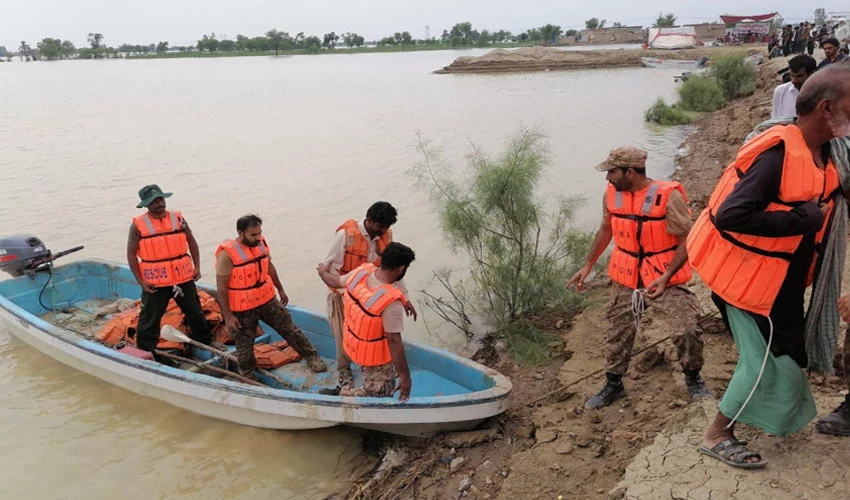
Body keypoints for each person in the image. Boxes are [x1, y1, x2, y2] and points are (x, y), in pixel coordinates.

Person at [687, 63, 850, 468]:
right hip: (750, 282)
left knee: (788, 353)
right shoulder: (777, 153)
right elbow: (730, 215)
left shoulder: (829, 151)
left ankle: (766, 417)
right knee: (763, 360)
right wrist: (802, 221)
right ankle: (717, 433)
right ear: (827, 108)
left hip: (782, 280)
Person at [566, 146, 711, 410]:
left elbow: (687, 240)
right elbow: (606, 229)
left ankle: (693, 378)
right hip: (626, 274)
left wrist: (666, 277)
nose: (608, 178)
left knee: (686, 328)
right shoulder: (612, 194)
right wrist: (588, 265)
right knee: (617, 331)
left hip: (662, 276)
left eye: (611, 172)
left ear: (629, 172)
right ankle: (613, 384)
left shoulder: (668, 197)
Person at [215, 214, 327, 378]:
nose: (257, 237)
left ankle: (311, 356)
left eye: (259, 233)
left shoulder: (261, 244)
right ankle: (248, 374)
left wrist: (280, 289)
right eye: (253, 234)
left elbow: (269, 267)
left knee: (290, 329)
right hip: (243, 307)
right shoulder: (227, 255)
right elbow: (221, 288)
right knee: (244, 346)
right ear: (240, 233)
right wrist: (228, 316)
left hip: (266, 300)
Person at [322, 202, 416, 388]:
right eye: (380, 226)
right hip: (345, 294)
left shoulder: (385, 236)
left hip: (372, 299)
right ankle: (344, 371)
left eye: (387, 227)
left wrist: (406, 298)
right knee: (345, 334)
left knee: (370, 335)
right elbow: (329, 268)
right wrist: (352, 292)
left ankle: (369, 365)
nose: (383, 231)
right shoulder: (345, 236)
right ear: (369, 220)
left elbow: (392, 269)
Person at [126, 184, 215, 365]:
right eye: (154, 201)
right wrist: (141, 282)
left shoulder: (178, 219)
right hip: (155, 282)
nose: (159, 203)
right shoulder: (138, 225)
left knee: (195, 311)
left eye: (161, 199)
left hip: (182, 277)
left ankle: (205, 341)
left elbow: (191, 240)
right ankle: (144, 350)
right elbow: (131, 253)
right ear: (146, 205)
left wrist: (197, 267)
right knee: (149, 317)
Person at [316, 242, 416, 401]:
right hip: (374, 356)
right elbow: (394, 340)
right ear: (401, 269)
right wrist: (405, 377)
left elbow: (334, 281)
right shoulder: (391, 302)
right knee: (380, 394)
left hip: (353, 345)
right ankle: (342, 394)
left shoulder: (360, 273)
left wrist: (322, 272)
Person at [772, 55, 817, 119]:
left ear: (812, 74)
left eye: (799, 76)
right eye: (792, 76)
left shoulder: (820, 93)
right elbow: (775, 118)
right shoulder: (780, 91)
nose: (794, 80)